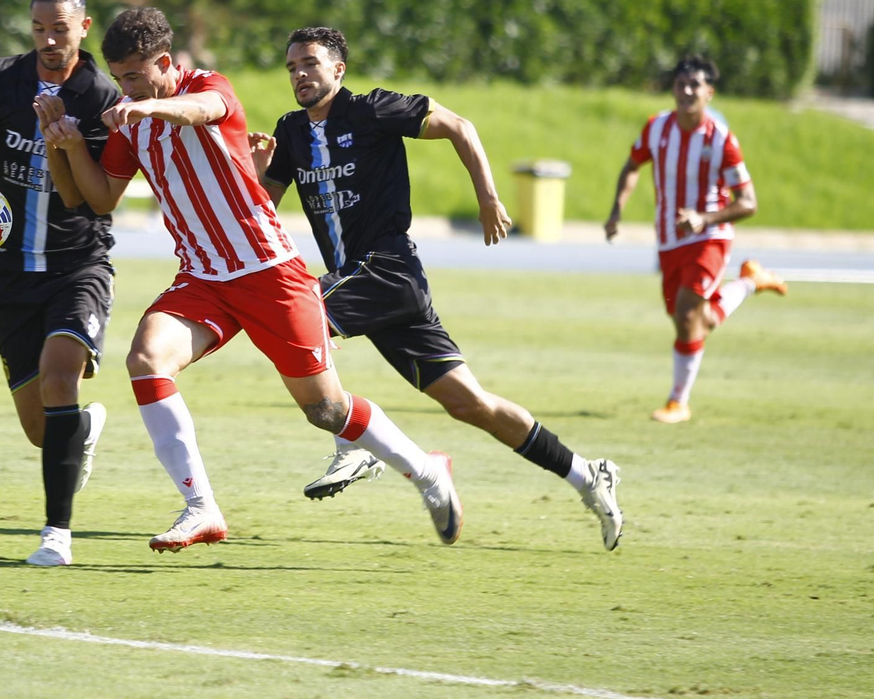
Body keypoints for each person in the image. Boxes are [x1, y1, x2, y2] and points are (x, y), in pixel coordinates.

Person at [38, 7, 463, 553]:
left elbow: (201, 110)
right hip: (203, 277)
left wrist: (147, 105)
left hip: (269, 272)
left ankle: (427, 471)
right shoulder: (133, 116)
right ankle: (201, 508)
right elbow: (93, 199)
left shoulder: (207, 89)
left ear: (164, 63)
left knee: (325, 410)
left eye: (136, 76)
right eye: (120, 79)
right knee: (145, 360)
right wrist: (64, 143)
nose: (125, 89)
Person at [248, 28, 626, 550]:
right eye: (291, 67)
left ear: (338, 69)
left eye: (310, 63)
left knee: (298, 311)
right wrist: (254, 173)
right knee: (472, 405)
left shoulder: (373, 109)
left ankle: (351, 445)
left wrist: (489, 198)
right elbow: (260, 209)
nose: (300, 75)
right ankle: (587, 474)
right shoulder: (289, 132)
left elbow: (458, 126)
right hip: (365, 285)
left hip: (388, 268)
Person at [0, 0, 120, 568]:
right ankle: (78, 433)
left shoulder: (102, 97)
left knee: (60, 377)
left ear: (83, 28)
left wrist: (62, 144)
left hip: (76, 264)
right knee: (43, 431)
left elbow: (94, 201)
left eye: (59, 29)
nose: (47, 40)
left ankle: (55, 536)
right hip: (7, 275)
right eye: (38, 29)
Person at [605, 53, 787, 424]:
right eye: (680, 84)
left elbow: (748, 202)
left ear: (709, 93)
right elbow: (632, 165)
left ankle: (678, 403)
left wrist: (705, 219)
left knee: (688, 313)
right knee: (692, 319)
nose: (686, 91)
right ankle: (751, 281)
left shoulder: (722, 140)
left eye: (694, 85)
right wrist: (616, 210)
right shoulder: (656, 128)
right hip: (669, 240)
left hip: (711, 237)